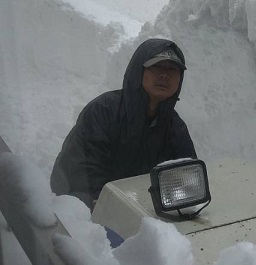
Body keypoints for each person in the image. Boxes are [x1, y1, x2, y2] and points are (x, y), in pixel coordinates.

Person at [50, 38, 197, 209]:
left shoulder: (175, 126)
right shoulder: (103, 110)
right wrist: (107, 207)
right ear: (138, 71)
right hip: (89, 213)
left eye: (172, 69)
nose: (164, 74)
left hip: (146, 216)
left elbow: (188, 178)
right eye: (156, 66)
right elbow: (79, 172)